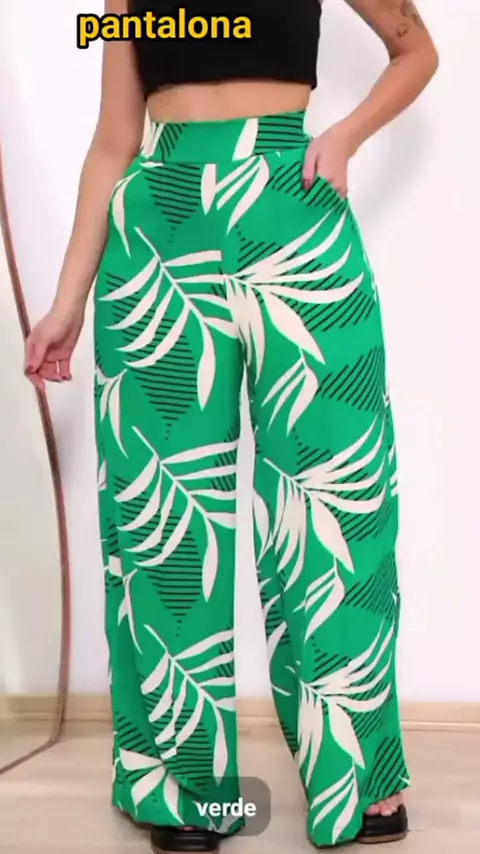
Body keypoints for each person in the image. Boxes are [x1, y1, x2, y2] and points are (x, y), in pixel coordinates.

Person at [24, 0, 438, 850]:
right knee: (164, 523)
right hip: (159, 232)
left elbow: (416, 52)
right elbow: (114, 141)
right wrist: (68, 301)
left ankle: (360, 775)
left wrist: (346, 135)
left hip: (295, 211)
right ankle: (181, 785)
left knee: (335, 509)